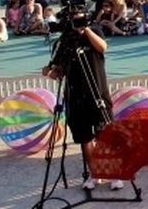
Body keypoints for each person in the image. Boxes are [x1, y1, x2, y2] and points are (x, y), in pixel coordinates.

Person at [41, 22, 124, 190]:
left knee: (106, 136)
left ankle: (115, 173)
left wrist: (84, 29)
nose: (75, 20)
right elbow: (59, 70)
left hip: (98, 94)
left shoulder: (93, 30)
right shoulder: (63, 42)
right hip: (75, 97)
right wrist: (50, 72)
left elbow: (102, 47)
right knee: (84, 138)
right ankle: (95, 173)